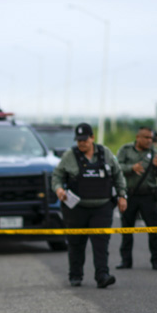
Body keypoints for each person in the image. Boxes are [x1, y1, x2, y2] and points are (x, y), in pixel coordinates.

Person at [52, 122, 127, 288]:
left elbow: (118, 175)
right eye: (78, 140)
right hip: (77, 208)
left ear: (92, 138)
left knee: (101, 243)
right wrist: (58, 190)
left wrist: (122, 195)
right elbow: (57, 176)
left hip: (102, 207)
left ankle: (102, 276)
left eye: (85, 140)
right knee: (76, 243)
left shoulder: (105, 153)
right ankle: (75, 275)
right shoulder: (69, 156)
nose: (81, 143)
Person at [116, 127, 157, 270]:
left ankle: (156, 261)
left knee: (153, 229)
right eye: (146, 137)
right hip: (130, 195)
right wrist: (131, 168)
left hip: (148, 196)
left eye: (151, 138)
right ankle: (125, 260)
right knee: (126, 229)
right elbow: (116, 168)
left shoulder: (154, 153)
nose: (149, 141)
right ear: (138, 137)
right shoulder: (126, 150)